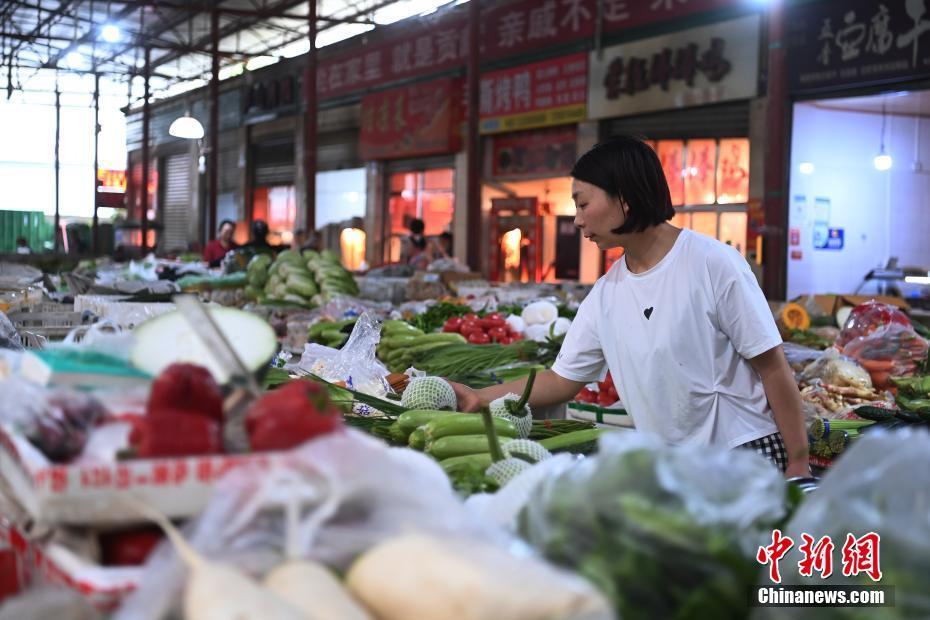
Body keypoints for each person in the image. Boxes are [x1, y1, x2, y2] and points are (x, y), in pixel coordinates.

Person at [451, 135, 809, 477]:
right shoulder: (607, 292)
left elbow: (773, 367)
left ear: (624, 198)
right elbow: (560, 380)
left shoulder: (712, 263)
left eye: (583, 203)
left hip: (744, 454)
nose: (577, 220)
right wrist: (478, 397)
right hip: (673, 466)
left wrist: (798, 462)